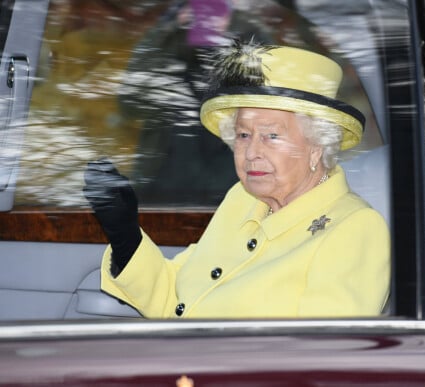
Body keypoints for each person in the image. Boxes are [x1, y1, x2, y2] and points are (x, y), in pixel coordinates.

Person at [83, 40, 391, 319]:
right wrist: (126, 236)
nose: (251, 151)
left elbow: (323, 360)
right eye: (244, 135)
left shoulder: (354, 228)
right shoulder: (242, 199)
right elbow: (176, 300)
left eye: (272, 136)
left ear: (317, 147)